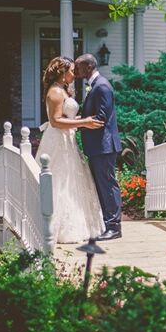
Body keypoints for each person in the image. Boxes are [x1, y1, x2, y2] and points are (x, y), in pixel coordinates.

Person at [35, 56, 105, 243]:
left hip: (68, 140)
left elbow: (67, 116)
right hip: (58, 140)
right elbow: (56, 121)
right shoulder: (55, 93)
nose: (75, 75)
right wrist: (84, 122)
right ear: (62, 72)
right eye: (72, 71)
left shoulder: (62, 90)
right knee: (60, 180)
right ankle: (56, 227)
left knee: (71, 180)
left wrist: (82, 119)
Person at [75, 54, 123, 241]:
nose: (76, 71)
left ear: (88, 66)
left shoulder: (101, 86)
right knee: (103, 185)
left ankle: (114, 227)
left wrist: (75, 123)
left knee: (108, 185)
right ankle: (108, 223)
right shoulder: (95, 85)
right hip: (98, 146)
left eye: (78, 67)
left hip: (104, 146)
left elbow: (101, 119)